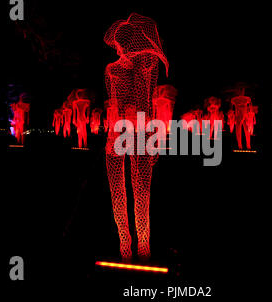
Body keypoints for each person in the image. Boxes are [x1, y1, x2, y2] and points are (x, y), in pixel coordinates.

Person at [104, 13, 169, 260]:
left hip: (124, 132)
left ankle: (133, 247)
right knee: (135, 192)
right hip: (133, 132)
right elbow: (145, 104)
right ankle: (137, 247)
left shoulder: (135, 67)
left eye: (119, 44)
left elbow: (141, 102)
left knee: (126, 191)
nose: (117, 48)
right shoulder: (143, 66)